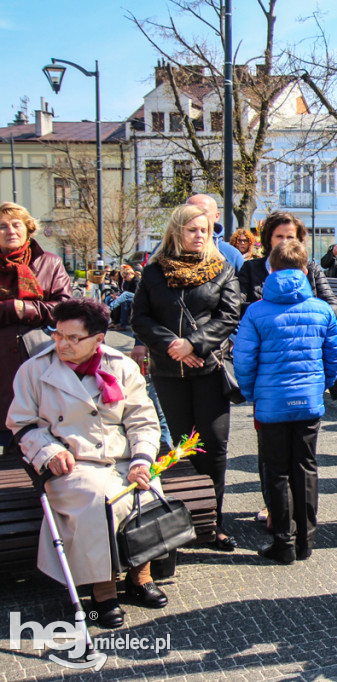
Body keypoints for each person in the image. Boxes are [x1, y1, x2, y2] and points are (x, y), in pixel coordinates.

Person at [7, 299, 167, 629]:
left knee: (146, 489)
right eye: (57, 335)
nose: (62, 344)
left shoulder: (121, 366)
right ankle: (103, 590)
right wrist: (48, 451)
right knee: (98, 500)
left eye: (72, 338)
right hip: (72, 463)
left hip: (122, 458)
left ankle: (141, 576)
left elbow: (142, 419)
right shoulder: (35, 370)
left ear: (98, 338)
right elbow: (21, 424)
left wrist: (142, 458)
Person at [132, 203, 242, 552]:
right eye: (192, 230)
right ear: (177, 231)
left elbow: (228, 316)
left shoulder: (222, 269)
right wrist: (171, 346)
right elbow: (140, 318)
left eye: (205, 231)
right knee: (180, 445)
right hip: (169, 371)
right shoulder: (153, 273)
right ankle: (184, 521)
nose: (199, 236)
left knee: (213, 444)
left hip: (209, 369)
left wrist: (192, 344)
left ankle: (213, 522)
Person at [234, 239, 337, 565]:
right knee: (307, 467)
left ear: (271, 267)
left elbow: (243, 360)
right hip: (308, 401)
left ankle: (283, 541)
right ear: (306, 268)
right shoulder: (321, 310)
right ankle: (306, 540)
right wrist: (320, 386)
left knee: (276, 470)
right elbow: (335, 357)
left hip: (271, 403)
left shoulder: (255, 311)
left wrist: (253, 393)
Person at [0, 202, 72, 447]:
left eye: (16, 224)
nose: (10, 230)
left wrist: (25, 309)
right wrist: (9, 308)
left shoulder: (49, 263)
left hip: (40, 354)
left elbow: (65, 308)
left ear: (28, 229)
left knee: (46, 424)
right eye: (2, 226)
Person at [238, 212, 337, 319]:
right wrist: (270, 310)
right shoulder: (250, 268)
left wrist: (306, 313)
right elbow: (237, 306)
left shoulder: (312, 269)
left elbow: (334, 307)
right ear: (269, 239)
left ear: (298, 241)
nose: (284, 242)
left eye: (290, 237)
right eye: (279, 237)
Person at [185, 194, 245, 272]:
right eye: (191, 212)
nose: (197, 216)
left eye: (203, 212)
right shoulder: (167, 251)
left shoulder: (231, 255)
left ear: (217, 216)